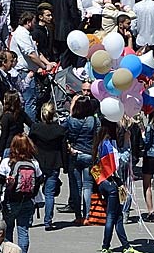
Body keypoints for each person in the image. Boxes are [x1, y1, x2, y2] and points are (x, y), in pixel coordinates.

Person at [0, 134, 41, 253]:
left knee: (8, 229)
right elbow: (40, 179)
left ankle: (9, 251)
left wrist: (7, 180)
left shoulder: (7, 162)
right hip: (27, 200)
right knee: (23, 230)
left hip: (10, 200)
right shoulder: (34, 163)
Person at [29, 102, 67, 231]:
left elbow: (30, 145)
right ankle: (48, 221)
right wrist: (65, 165)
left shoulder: (35, 128)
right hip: (54, 163)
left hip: (38, 162)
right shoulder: (60, 130)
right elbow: (63, 149)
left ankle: (29, 218)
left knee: (32, 192)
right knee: (49, 194)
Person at [64, 95, 99, 223]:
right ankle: (87, 215)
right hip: (89, 154)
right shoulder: (93, 120)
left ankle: (78, 216)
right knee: (88, 186)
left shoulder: (71, 120)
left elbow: (63, 132)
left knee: (75, 186)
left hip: (74, 154)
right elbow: (99, 136)